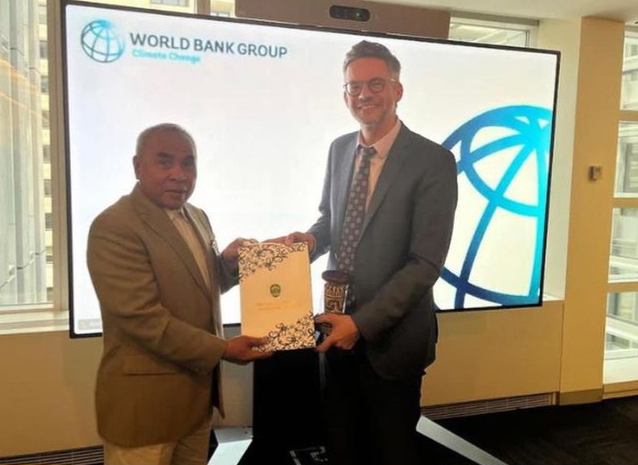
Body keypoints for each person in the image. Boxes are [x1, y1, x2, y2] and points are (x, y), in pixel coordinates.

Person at [278, 41, 458, 464]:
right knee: (342, 446)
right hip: (335, 332)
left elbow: (425, 264)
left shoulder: (433, 161)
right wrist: (309, 242)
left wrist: (360, 324)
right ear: (345, 96)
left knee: (391, 451)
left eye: (376, 84)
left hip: (393, 341)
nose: (364, 94)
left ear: (397, 90)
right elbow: (331, 220)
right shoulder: (340, 149)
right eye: (354, 86)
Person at [86, 123, 271, 465]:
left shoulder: (196, 216)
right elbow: (143, 320)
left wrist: (227, 265)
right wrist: (223, 349)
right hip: (145, 411)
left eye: (188, 163)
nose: (179, 174)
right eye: (164, 161)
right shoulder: (115, 226)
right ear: (137, 166)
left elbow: (197, 286)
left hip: (195, 404)